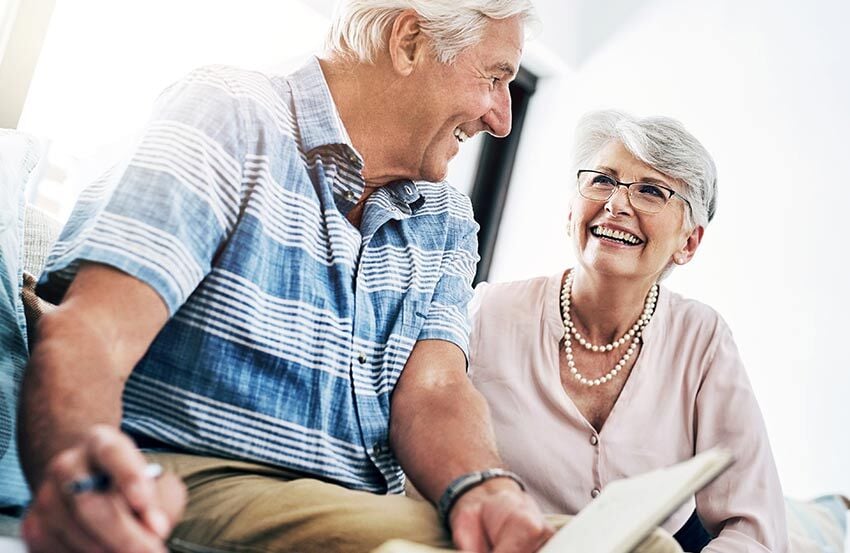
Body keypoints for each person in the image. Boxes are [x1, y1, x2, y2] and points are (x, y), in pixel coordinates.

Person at [16, 2, 563, 552]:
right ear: (409, 42)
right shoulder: (231, 112)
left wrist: (484, 486)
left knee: (623, 544)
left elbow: (436, 387)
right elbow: (97, 330)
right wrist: (79, 472)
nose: (501, 118)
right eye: (494, 78)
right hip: (191, 480)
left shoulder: (446, 220)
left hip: (348, 507)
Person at [468, 110, 789, 552]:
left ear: (688, 242)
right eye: (601, 180)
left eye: (651, 191)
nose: (616, 204)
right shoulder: (489, 312)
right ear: (570, 212)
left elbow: (755, 528)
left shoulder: (703, 338)